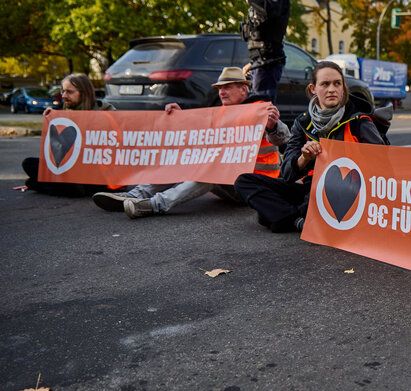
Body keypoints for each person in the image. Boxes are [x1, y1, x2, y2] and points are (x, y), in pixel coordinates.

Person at [92, 67, 290, 218]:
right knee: (187, 162)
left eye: (227, 87)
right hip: (227, 181)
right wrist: (180, 117)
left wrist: (272, 125)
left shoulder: (260, 109)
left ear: (243, 89)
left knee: (211, 172)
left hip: (253, 184)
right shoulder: (220, 113)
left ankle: (153, 205)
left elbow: (283, 138)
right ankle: (135, 195)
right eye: (220, 88)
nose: (222, 92)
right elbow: (197, 139)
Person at [235, 61, 386, 232]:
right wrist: (303, 158)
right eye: (325, 84)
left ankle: (287, 216)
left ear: (343, 87)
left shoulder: (359, 121)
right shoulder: (303, 123)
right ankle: (296, 219)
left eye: (337, 83)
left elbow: (382, 167)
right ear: (313, 89)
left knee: (270, 214)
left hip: (349, 190)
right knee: (244, 181)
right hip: (310, 187)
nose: (331, 89)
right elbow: (286, 173)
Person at [21, 73, 117, 197]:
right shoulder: (64, 114)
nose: (64, 96)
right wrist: (52, 118)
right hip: (70, 170)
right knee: (28, 163)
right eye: (63, 91)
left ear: (83, 93)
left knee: (35, 181)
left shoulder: (106, 112)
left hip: (95, 171)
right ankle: (65, 185)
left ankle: (52, 185)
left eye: (69, 92)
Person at [240, 0, 291, 105]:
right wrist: (252, 62)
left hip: (268, 62)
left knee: (262, 106)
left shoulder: (272, 4)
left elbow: (270, 12)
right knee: (256, 104)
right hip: (260, 61)